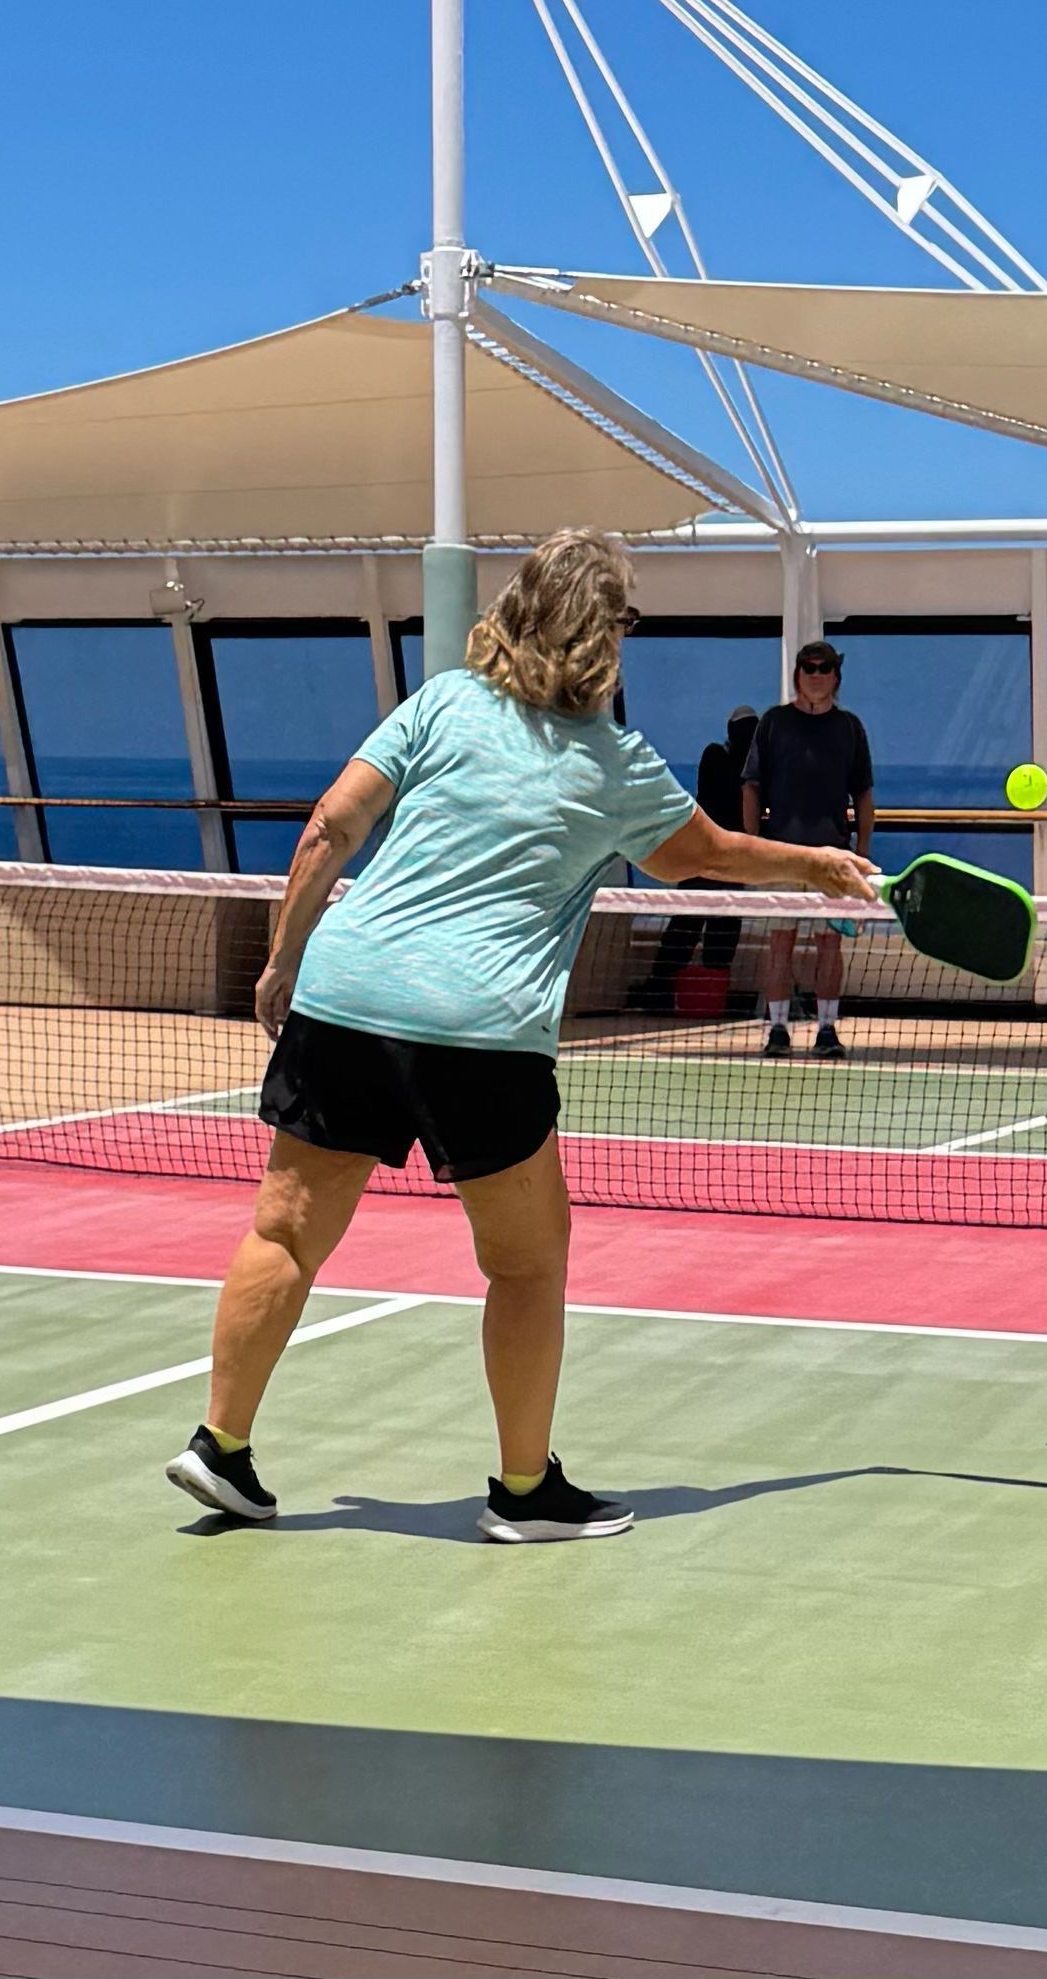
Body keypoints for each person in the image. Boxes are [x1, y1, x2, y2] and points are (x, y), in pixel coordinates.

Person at [164, 532, 875, 1543]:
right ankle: (524, 1489)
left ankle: (221, 1445)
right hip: (479, 1029)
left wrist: (285, 959)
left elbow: (329, 826)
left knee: (285, 1231)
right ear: (605, 639)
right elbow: (705, 854)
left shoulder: (443, 703)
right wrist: (816, 864)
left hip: (346, 995)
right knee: (527, 1263)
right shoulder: (614, 763)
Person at [741, 640, 875, 1059]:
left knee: (830, 944)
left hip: (834, 860)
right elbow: (751, 786)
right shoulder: (774, 723)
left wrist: (863, 853)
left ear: (836, 676)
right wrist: (753, 847)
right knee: (779, 943)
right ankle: (777, 1028)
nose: (816, 675)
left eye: (824, 668)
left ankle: (827, 1029)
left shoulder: (849, 727)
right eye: (809, 668)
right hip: (779, 858)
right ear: (798, 674)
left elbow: (863, 793)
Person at [634, 704, 760, 1009]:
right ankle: (670, 986)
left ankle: (681, 987)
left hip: (714, 853)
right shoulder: (726, 759)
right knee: (699, 922)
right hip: (715, 854)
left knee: (704, 922)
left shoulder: (723, 758)